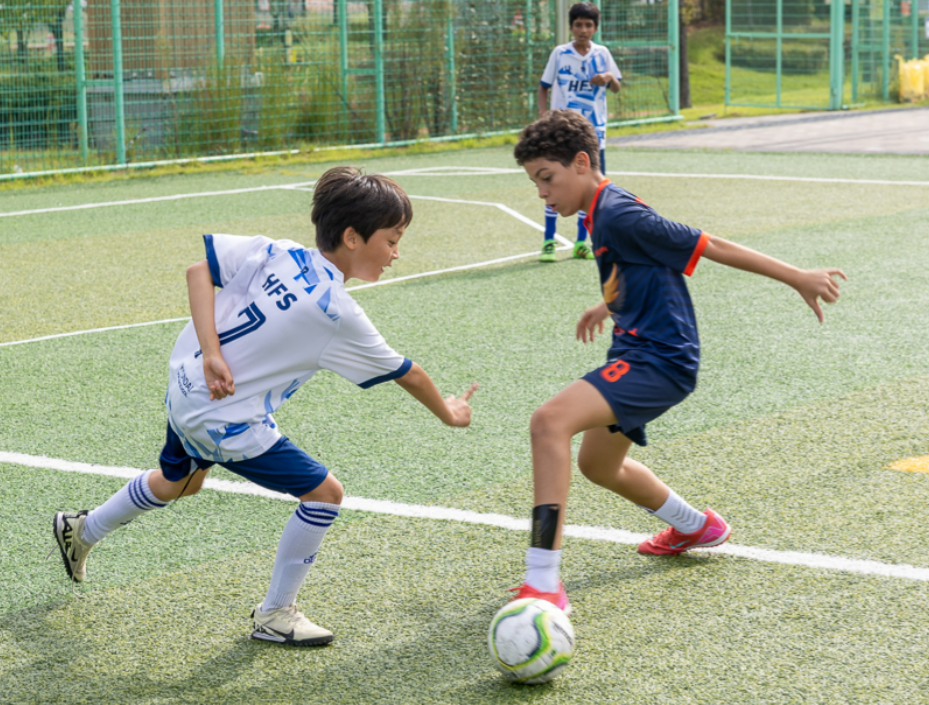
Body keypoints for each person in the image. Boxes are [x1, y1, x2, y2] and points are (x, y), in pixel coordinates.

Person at [53, 166, 478, 646]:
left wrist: (211, 352)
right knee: (325, 494)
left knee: (181, 482)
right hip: (221, 416)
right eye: (392, 240)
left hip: (188, 384)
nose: (397, 253)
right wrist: (450, 412)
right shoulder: (337, 312)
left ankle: (82, 529)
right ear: (352, 237)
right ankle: (276, 614)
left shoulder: (281, 251)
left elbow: (198, 271)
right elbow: (408, 372)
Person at [510, 111, 846, 612]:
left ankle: (542, 579)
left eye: (546, 178)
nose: (541, 193)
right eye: (535, 183)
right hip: (639, 353)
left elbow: (709, 245)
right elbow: (643, 266)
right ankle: (696, 527)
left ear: (581, 163)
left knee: (548, 422)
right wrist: (608, 304)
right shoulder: (600, 211)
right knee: (598, 465)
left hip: (659, 361)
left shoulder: (619, 213)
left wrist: (796, 275)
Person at [537, 1, 621, 263]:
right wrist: (543, 115)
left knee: (590, 186)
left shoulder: (602, 54)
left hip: (594, 132)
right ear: (571, 27)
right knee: (554, 181)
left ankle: (581, 243)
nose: (583, 30)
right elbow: (543, 86)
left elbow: (617, 86)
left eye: (588, 25)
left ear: (595, 28)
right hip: (562, 131)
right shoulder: (560, 53)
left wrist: (609, 77)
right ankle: (548, 241)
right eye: (578, 25)